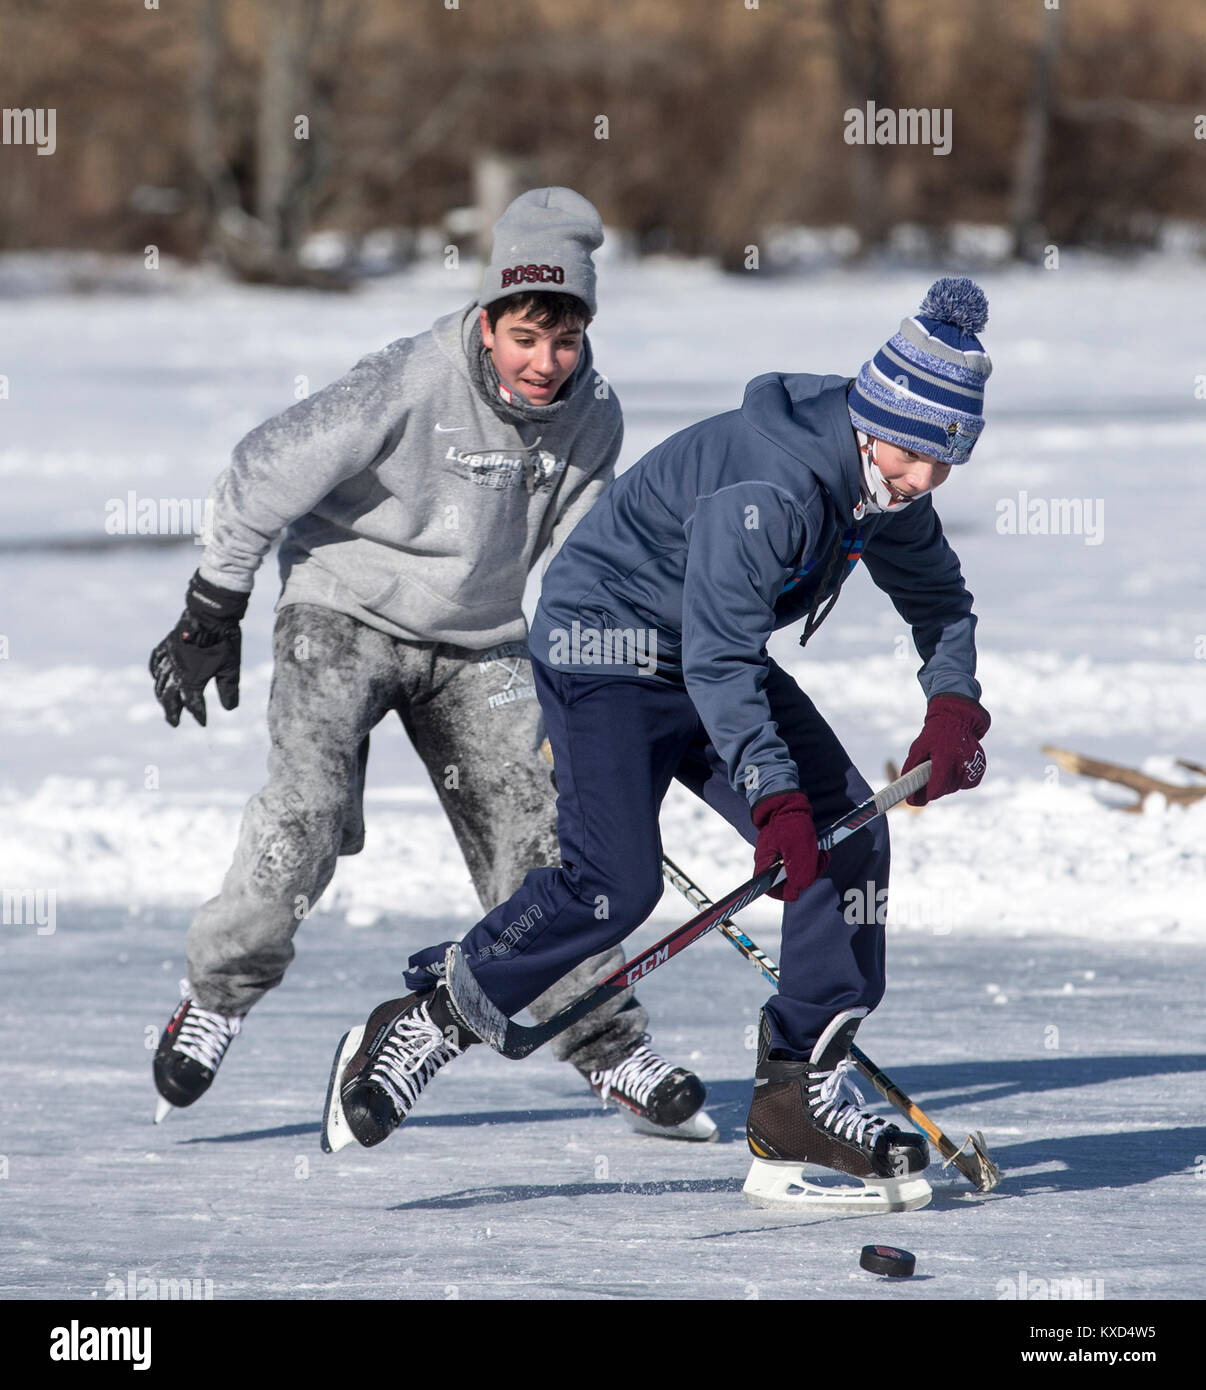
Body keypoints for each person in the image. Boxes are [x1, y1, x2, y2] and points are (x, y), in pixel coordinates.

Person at [324, 278, 994, 1214]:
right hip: (605, 646)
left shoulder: (878, 480)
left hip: (704, 652)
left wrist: (954, 705)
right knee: (612, 885)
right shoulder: (776, 487)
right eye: (918, 452)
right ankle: (434, 1011)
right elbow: (723, 663)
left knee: (852, 840)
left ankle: (795, 1101)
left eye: (947, 460)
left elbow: (939, 601)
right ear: (875, 418)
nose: (925, 479)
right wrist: (773, 799)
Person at [149, 187, 715, 1142]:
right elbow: (262, 465)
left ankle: (608, 1046)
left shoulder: (595, 417)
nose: (545, 364)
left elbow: (585, 563)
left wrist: (615, 669)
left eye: (564, 342)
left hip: (482, 643)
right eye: (525, 337)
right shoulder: (409, 378)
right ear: (489, 318)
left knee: (545, 844)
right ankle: (219, 993)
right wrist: (214, 604)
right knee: (308, 818)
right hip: (343, 611)